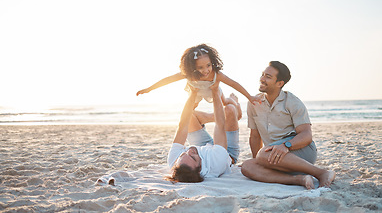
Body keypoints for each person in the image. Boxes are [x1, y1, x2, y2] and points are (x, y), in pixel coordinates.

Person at [241, 61, 335, 189]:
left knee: (262, 154)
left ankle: (322, 173)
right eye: (263, 75)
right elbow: (255, 136)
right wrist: (258, 161)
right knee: (247, 166)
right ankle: (300, 179)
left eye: (268, 77)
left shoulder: (293, 102)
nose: (262, 79)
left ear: (280, 83)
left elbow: (307, 135)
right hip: (272, 156)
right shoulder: (254, 103)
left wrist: (286, 146)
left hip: (300, 152)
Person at [136, 43, 259, 114]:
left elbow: (234, 84)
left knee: (224, 103)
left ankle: (234, 102)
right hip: (196, 91)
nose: (206, 71)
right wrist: (149, 89)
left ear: (213, 62)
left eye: (208, 66)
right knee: (192, 107)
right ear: (192, 67)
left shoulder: (216, 74)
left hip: (212, 90)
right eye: (200, 67)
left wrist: (250, 97)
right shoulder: (188, 74)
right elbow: (168, 80)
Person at [166, 81, 240, 182]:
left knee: (190, 117)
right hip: (227, 152)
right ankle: (235, 107)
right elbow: (219, 125)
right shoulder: (217, 162)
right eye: (193, 157)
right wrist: (215, 92)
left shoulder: (174, 160)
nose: (189, 150)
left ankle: (228, 116)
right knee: (230, 110)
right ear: (200, 168)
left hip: (201, 146)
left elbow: (182, 125)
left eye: (183, 154)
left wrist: (192, 94)